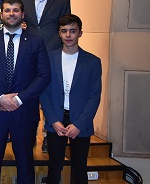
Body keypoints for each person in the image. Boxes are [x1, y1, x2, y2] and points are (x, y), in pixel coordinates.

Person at [0, 0, 51, 184]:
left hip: (24, 111)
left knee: (25, 163)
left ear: (23, 14)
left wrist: (18, 100)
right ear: (1, 14)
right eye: (8, 10)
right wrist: (0, 98)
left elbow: (44, 75)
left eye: (16, 10)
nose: (12, 14)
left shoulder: (36, 41)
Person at [40, 14, 102, 184]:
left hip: (81, 121)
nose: (68, 35)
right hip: (56, 121)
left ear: (80, 33)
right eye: (64, 31)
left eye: (72, 31)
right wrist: (53, 120)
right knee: (54, 166)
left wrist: (80, 124)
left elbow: (94, 96)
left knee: (80, 167)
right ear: (58, 33)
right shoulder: (49, 59)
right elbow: (43, 92)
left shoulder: (93, 61)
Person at [21, 0, 71, 152]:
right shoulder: (23, 0)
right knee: (30, 96)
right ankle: (29, 135)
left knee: (51, 97)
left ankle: (49, 135)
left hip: (53, 54)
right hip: (29, 56)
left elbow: (65, 26)